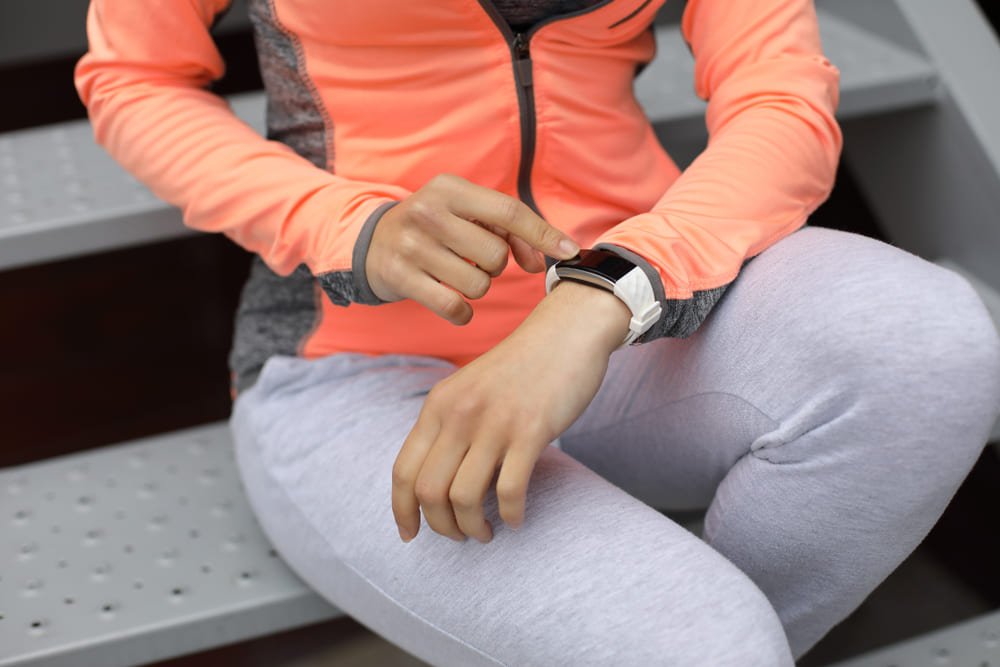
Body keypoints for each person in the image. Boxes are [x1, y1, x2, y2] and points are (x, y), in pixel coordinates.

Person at [74, 0, 1000, 664]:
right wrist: (346, 223)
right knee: (702, 642)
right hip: (354, 371)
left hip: (631, 328)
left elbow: (780, 99)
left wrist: (607, 292)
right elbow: (132, 74)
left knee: (925, 341)